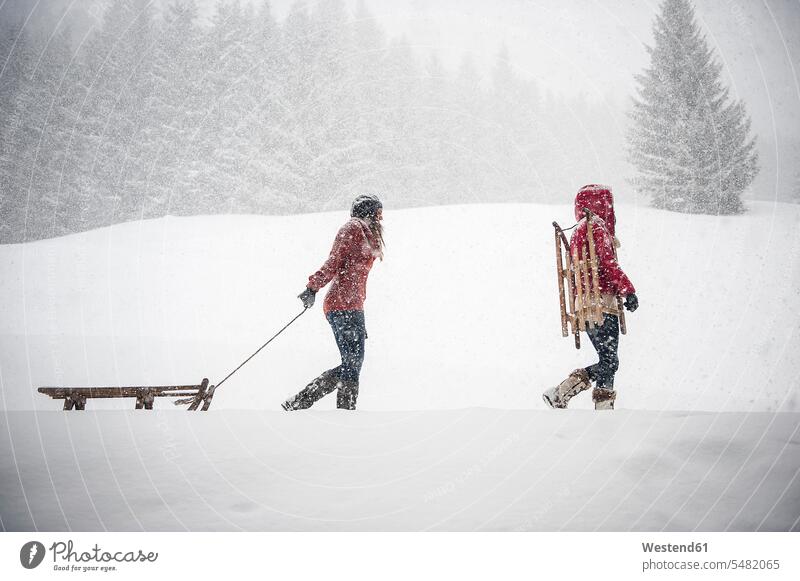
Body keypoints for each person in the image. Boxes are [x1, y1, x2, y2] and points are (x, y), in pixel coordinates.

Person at [281, 194, 384, 411]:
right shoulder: (352, 229)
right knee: (352, 364)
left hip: (353, 306)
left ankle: (321, 407)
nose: (380, 218)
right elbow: (334, 261)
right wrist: (312, 287)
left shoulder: (365, 233)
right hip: (340, 305)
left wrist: (359, 314)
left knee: (353, 364)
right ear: (368, 213)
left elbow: (355, 275)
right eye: (378, 213)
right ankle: (306, 403)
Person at [543, 185, 638, 410]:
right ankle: (572, 397)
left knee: (608, 361)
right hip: (602, 303)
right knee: (610, 361)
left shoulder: (579, 230)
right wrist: (628, 290)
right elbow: (607, 264)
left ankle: (565, 394)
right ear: (601, 204)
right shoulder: (596, 228)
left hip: (584, 304)